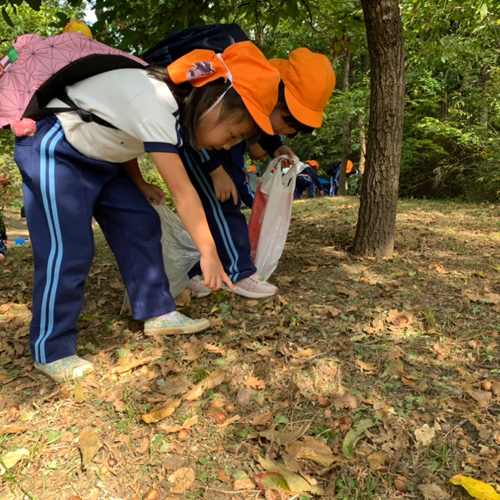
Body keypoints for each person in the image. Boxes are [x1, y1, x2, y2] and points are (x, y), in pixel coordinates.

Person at [12, 40, 280, 382]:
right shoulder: (156, 103)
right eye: (231, 134)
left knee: (141, 222)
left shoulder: (174, 114)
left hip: (102, 159)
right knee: (69, 250)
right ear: (213, 104)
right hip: (57, 149)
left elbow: (119, 133)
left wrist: (138, 184)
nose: (225, 147)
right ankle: (52, 349)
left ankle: (158, 312)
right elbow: (183, 194)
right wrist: (209, 253)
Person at [183, 48, 335, 299]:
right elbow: (197, 132)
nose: (285, 128)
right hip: (200, 152)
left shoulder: (257, 109)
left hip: (216, 156)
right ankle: (238, 272)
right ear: (273, 93)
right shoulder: (234, 93)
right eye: (288, 118)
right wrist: (214, 169)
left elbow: (263, 124)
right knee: (222, 203)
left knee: (227, 203)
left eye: (294, 129)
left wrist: (275, 145)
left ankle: (201, 271)